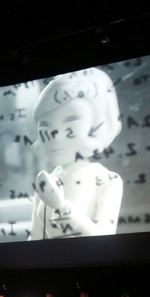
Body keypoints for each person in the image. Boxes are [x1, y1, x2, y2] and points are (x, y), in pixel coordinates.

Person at [29, 68, 123, 240]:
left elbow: (105, 238)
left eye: (72, 119)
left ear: (96, 124)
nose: (55, 135)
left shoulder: (107, 180)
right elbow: (35, 236)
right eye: (45, 124)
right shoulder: (46, 182)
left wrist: (64, 209)